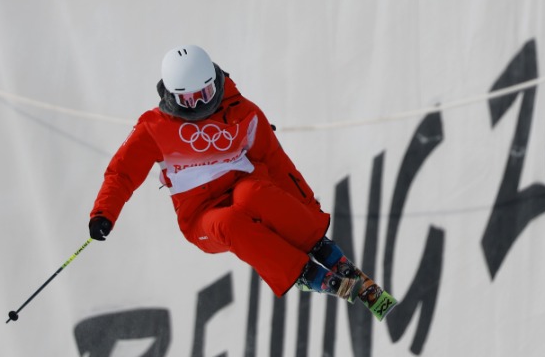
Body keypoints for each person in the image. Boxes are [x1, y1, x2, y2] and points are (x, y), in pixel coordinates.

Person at [88, 45, 394, 316]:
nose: (199, 107)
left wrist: (308, 214)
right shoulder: (155, 128)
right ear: (171, 95)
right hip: (201, 218)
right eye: (189, 100)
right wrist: (104, 213)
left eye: (205, 96)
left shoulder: (242, 113)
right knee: (231, 221)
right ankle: (301, 273)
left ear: (216, 83)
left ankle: (323, 251)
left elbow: (277, 164)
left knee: (254, 193)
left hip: (244, 188)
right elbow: (122, 172)